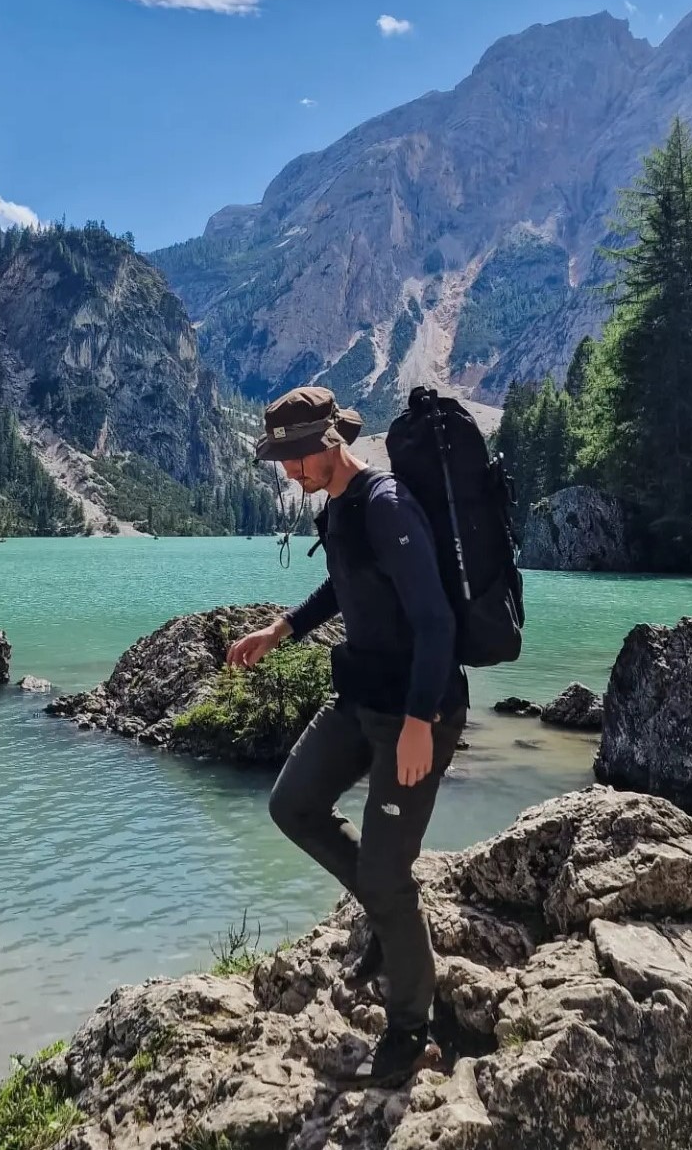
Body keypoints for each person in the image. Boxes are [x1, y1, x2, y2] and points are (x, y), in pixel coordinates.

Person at [227, 386, 467, 1086]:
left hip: (414, 713)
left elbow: (434, 623)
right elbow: (343, 584)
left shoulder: (386, 504)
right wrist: (280, 628)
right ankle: (384, 921)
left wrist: (421, 723)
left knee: (388, 872)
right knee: (291, 804)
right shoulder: (341, 506)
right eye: (282, 458)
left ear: (329, 442)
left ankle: (413, 1027)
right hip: (360, 698)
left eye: (295, 455)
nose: (288, 470)